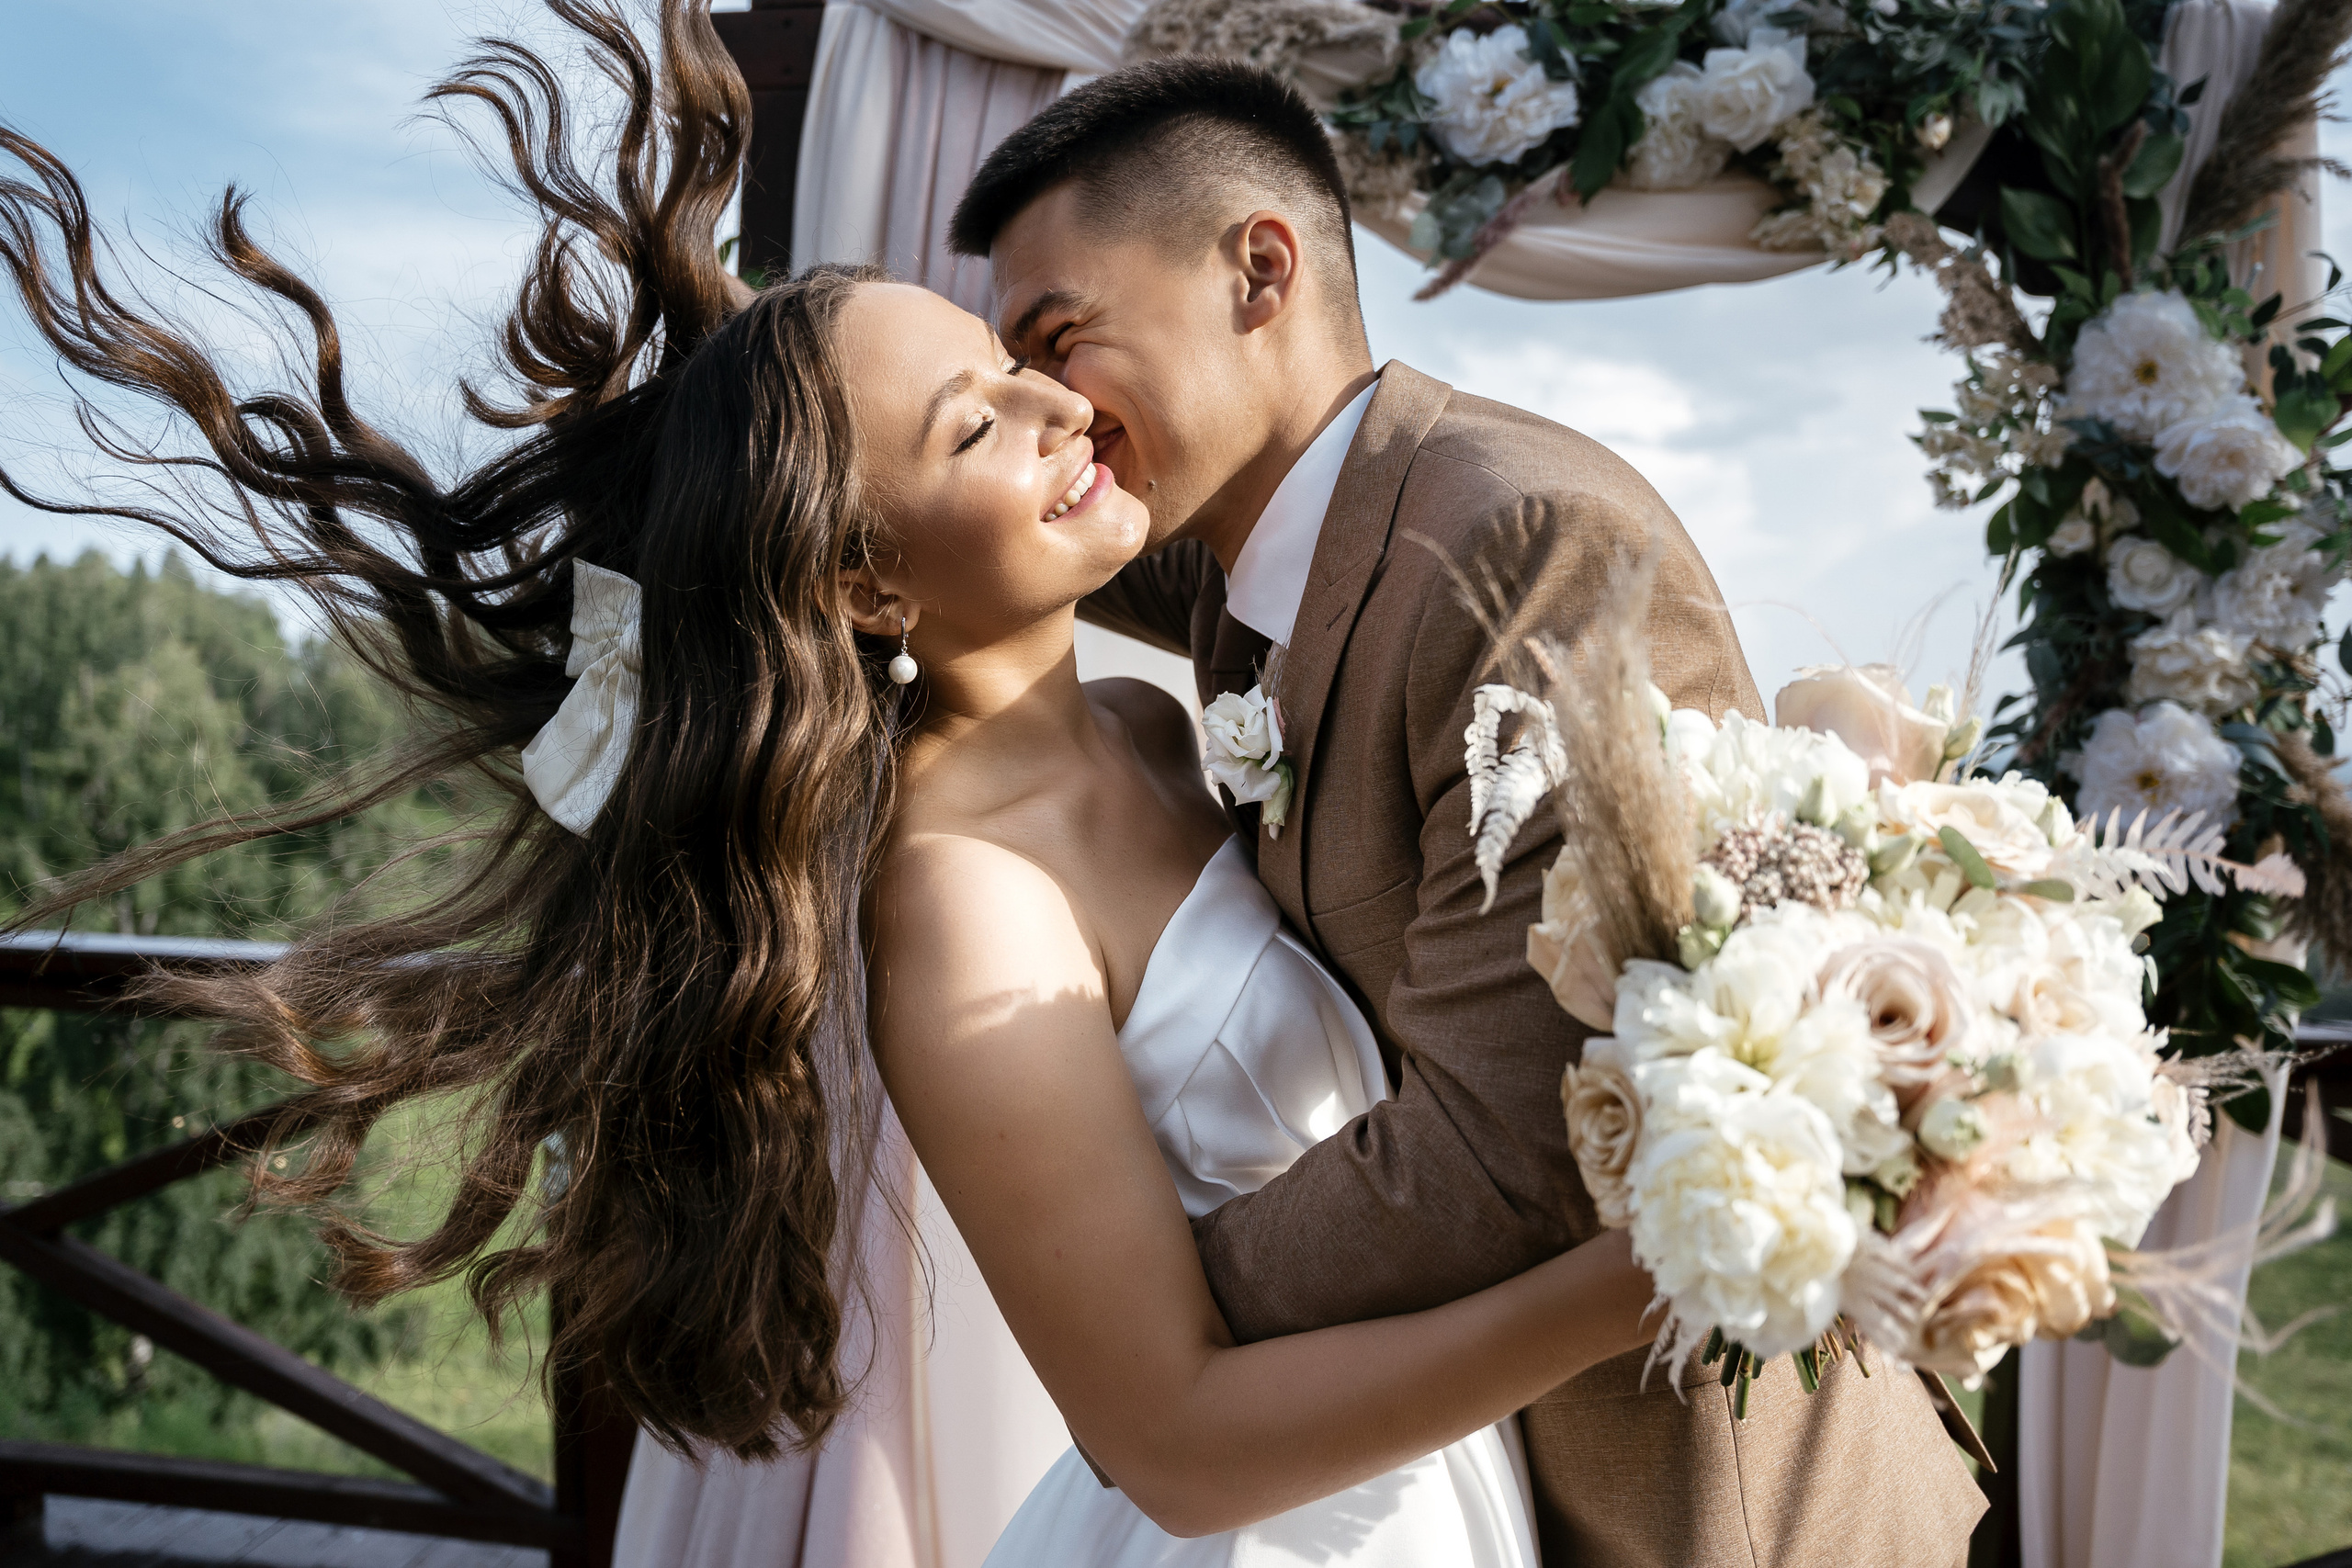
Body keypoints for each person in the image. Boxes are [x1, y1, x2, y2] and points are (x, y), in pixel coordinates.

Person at [0, 6, 1659, 1565]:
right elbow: (1171, 1439)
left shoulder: (1166, 729)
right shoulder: (958, 904)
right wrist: (1633, 1287)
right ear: (868, 588)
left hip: (1431, 1468)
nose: (1060, 406)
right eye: (974, 422)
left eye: (1026, 364)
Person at [948, 58, 1991, 1568]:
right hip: (1489, 1463)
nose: (1049, 405)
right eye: (1011, 374)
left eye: (1060, 339)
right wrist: (766, 430)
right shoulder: (1257, 545)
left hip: (1707, 1494)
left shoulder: (1518, 546)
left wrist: (1147, 1338)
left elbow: (1520, 1149)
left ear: (1259, 267)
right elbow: (970, 524)